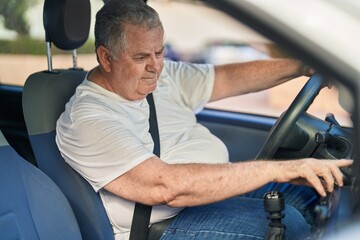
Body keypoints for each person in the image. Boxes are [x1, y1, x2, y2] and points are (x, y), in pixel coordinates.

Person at [56, 1, 353, 239]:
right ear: (106, 58)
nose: (156, 66)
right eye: (141, 57)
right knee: (292, 225)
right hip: (162, 225)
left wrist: (304, 64)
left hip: (203, 198)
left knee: (314, 191)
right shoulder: (89, 118)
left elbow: (226, 78)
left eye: (159, 52)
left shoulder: (164, 76)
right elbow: (164, 186)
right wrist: (276, 170)